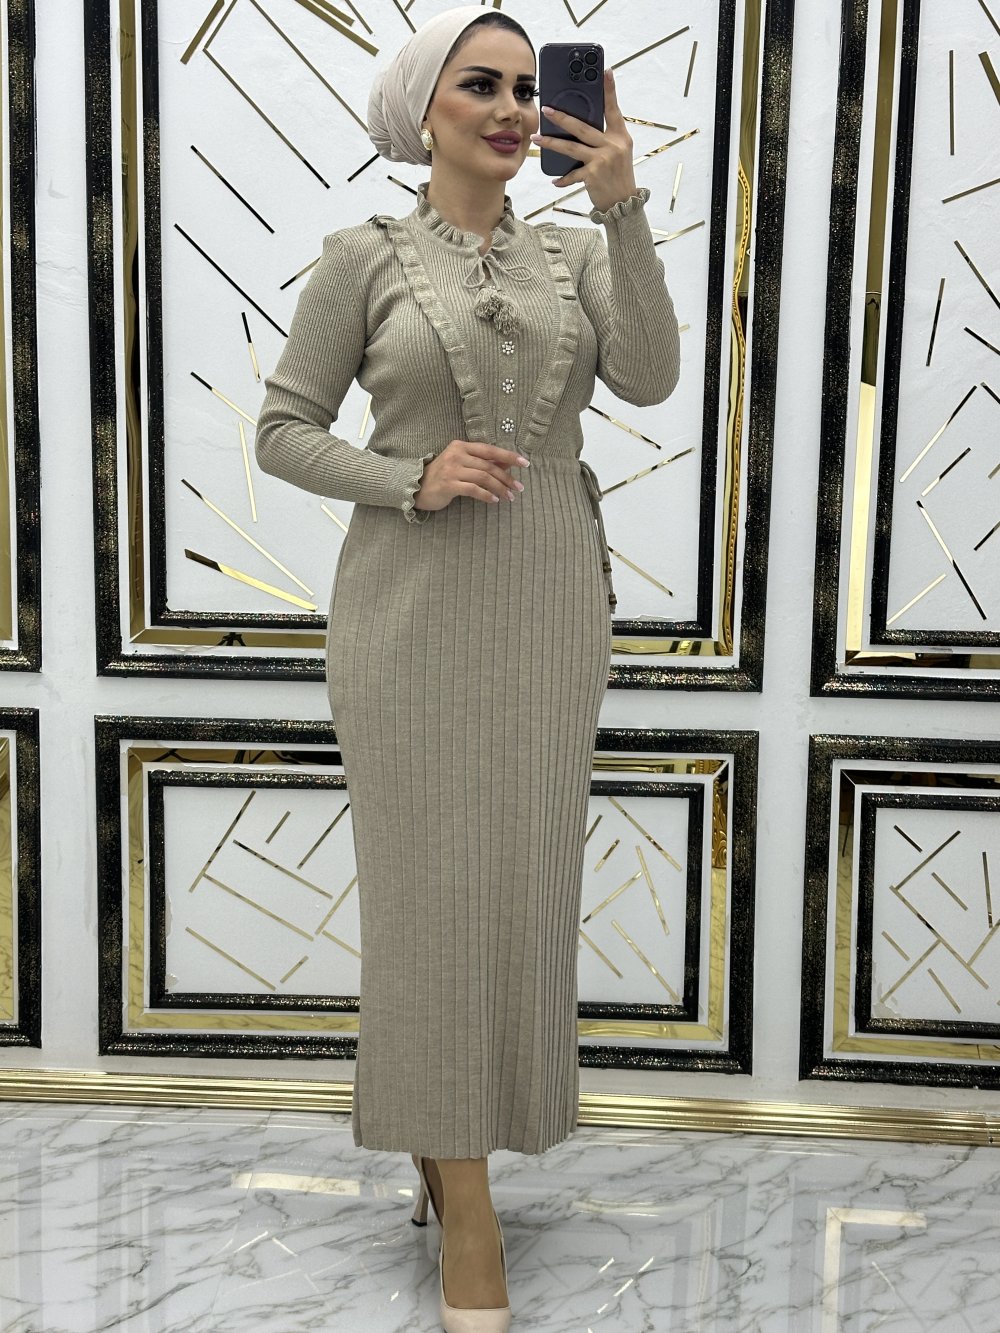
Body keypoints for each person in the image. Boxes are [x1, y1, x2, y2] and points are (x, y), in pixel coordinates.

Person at [255, 7, 681, 1327]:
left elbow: (652, 378)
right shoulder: (363, 259)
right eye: (479, 85)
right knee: (430, 902)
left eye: (527, 88)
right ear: (421, 110)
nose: (510, 109)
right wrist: (412, 475)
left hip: (549, 605)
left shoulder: (575, 253)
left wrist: (621, 202)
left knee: (517, 892)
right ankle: (467, 1201)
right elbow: (282, 430)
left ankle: (458, 1154)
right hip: (410, 613)